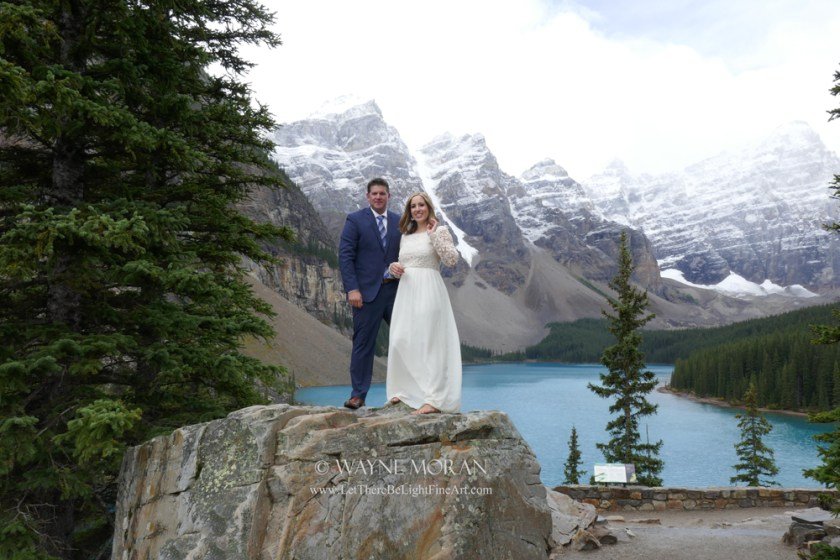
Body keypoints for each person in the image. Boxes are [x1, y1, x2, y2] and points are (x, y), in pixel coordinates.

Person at [386, 192, 462, 414]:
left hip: (429, 288)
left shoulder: (439, 231)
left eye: (421, 205)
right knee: (402, 339)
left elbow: (451, 259)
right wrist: (394, 268)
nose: (417, 209)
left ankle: (434, 400)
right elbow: (404, 263)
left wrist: (433, 235)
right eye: (413, 206)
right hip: (407, 291)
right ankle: (404, 391)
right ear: (409, 211)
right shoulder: (405, 236)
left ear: (428, 207)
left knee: (429, 342)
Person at [338, 178, 402, 409]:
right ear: (367, 196)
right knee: (363, 345)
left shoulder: (399, 221)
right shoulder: (355, 220)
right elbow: (345, 256)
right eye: (374, 193)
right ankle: (358, 395)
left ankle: (408, 392)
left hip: (396, 292)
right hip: (365, 294)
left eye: (382, 193)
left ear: (388, 196)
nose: (378, 197)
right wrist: (352, 289)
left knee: (406, 341)